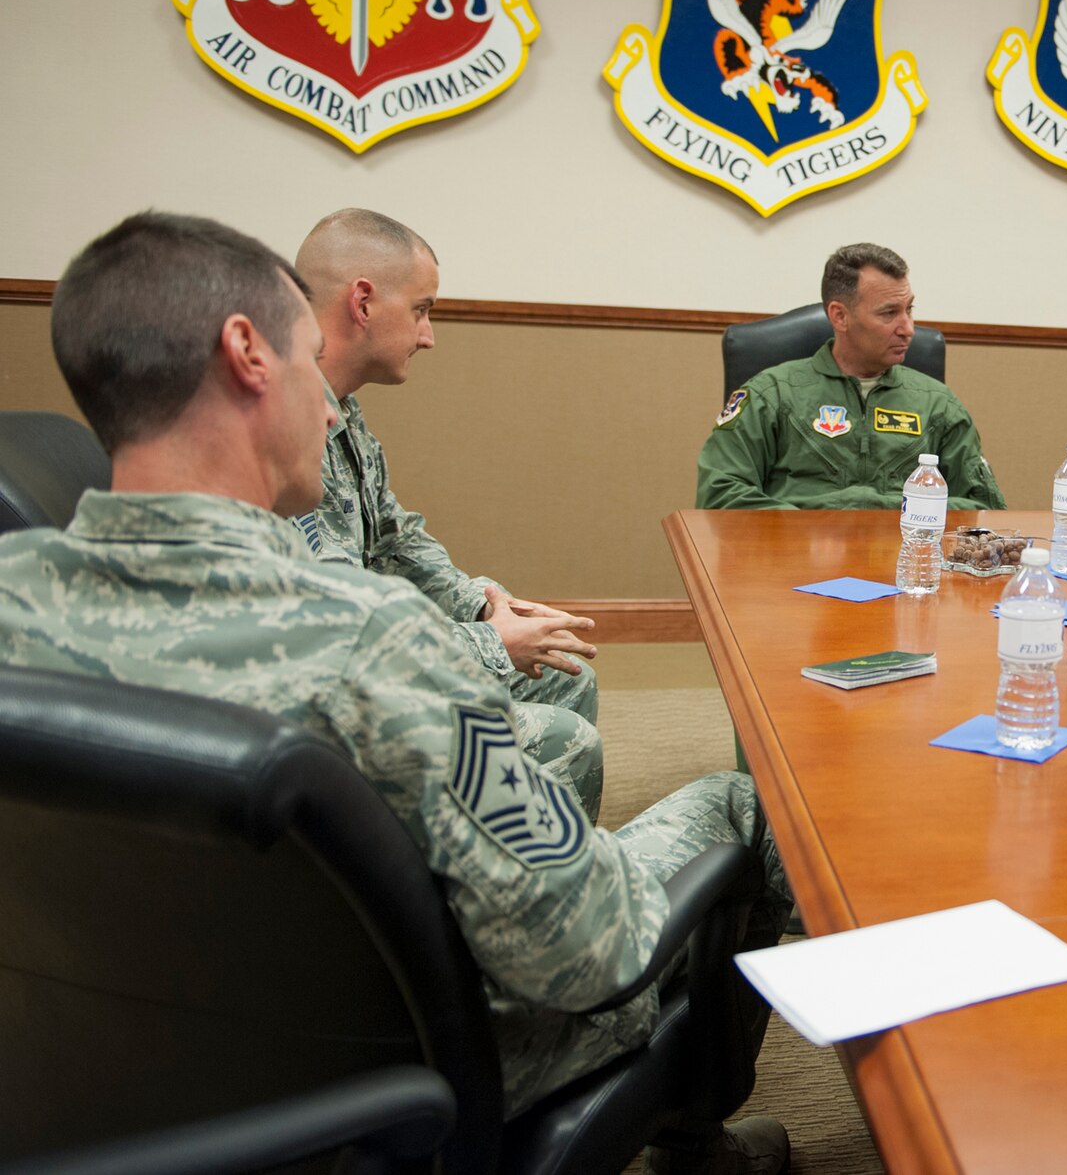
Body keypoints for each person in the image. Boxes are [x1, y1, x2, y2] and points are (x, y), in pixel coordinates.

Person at [0, 212, 792, 1173]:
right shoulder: (374, 645)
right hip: (402, 1086)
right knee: (743, 809)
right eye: (306, 364)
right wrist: (608, 862)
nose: (331, 413)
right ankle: (698, 1146)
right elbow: (586, 952)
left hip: (94, 1079)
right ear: (248, 353)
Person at [292, 208, 605, 821]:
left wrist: (481, 603)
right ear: (362, 302)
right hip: (337, 699)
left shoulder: (342, 412)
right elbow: (334, 640)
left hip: (372, 658)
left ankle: (521, 846)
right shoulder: (287, 428)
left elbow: (395, 539)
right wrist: (489, 643)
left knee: (566, 674)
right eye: (422, 308)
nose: (429, 334)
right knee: (568, 741)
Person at [697, 243, 1006, 510]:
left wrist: (883, 509)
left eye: (909, 309)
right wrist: (826, 518)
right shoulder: (772, 394)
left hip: (907, 565)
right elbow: (720, 493)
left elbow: (985, 507)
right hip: (792, 560)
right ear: (839, 316)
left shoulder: (938, 404)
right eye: (889, 313)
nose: (908, 328)